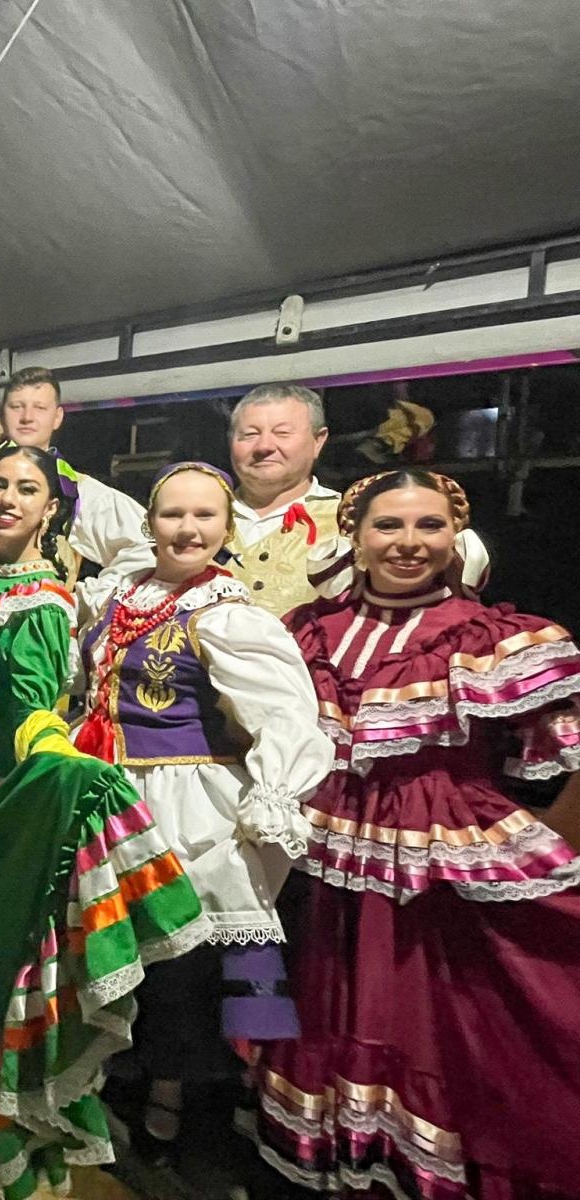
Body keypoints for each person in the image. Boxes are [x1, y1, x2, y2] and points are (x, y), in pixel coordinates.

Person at [0, 443, 212, 1199]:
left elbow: (36, 709)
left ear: (51, 508)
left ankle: (6, 1146)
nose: (7, 498)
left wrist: (62, 762)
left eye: (25, 489)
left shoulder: (41, 601)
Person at [254, 469, 580, 1199]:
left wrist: (544, 856)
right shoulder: (309, 630)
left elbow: (569, 755)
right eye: (389, 526)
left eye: (428, 526)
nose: (408, 543)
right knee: (311, 1000)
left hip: (435, 867)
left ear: (454, 537)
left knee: (431, 1019)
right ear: (357, 537)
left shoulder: (490, 637)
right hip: (316, 849)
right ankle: (326, 1152)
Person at [75, 462, 333, 1156]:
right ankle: (110, 1069)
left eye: (204, 517)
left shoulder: (225, 613)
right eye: (172, 515)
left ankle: (173, 1087)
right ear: (149, 523)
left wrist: (275, 791)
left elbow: (286, 713)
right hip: (107, 794)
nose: (187, 529)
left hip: (183, 802)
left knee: (183, 960)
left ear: (225, 527)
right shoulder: (116, 594)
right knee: (113, 946)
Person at [226, 382, 488, 615]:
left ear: (318, 441)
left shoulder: (358, 521)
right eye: (249, 435)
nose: (263, 447)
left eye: (282, 433)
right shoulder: (194, 514)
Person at [0, 365, 154, 584]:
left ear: (57, 417)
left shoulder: (79, 493)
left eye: (40, 408)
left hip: (46, 631)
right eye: (16, 407)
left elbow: (148, 549)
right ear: (1, 414)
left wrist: (90, 600)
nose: (27, 417)